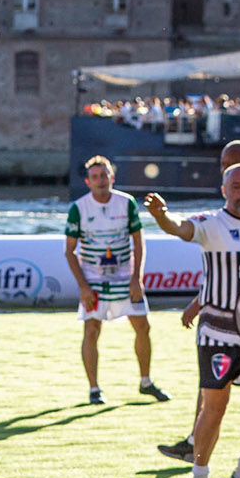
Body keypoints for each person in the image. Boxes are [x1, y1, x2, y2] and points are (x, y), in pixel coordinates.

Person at [143, 164, 240, 478]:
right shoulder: (211, 223)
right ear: (224, 191)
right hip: (219, 334)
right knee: (215, 408)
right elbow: (179, 228)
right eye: (236, 186)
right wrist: (161, 216)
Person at [64, 155, 167, 406]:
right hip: (93, 279)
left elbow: (138, 242)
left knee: (143, 326)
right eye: (96, 177)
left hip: (124, 277)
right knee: (91, 330)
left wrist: (136, 279)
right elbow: (69, 251)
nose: (101, 181)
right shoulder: (79, 208)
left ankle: (146, 381)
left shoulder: (127, 203)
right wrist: (83, 286)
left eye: (104, 175)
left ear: (113, 177)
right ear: (88, 182)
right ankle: (94, 389)